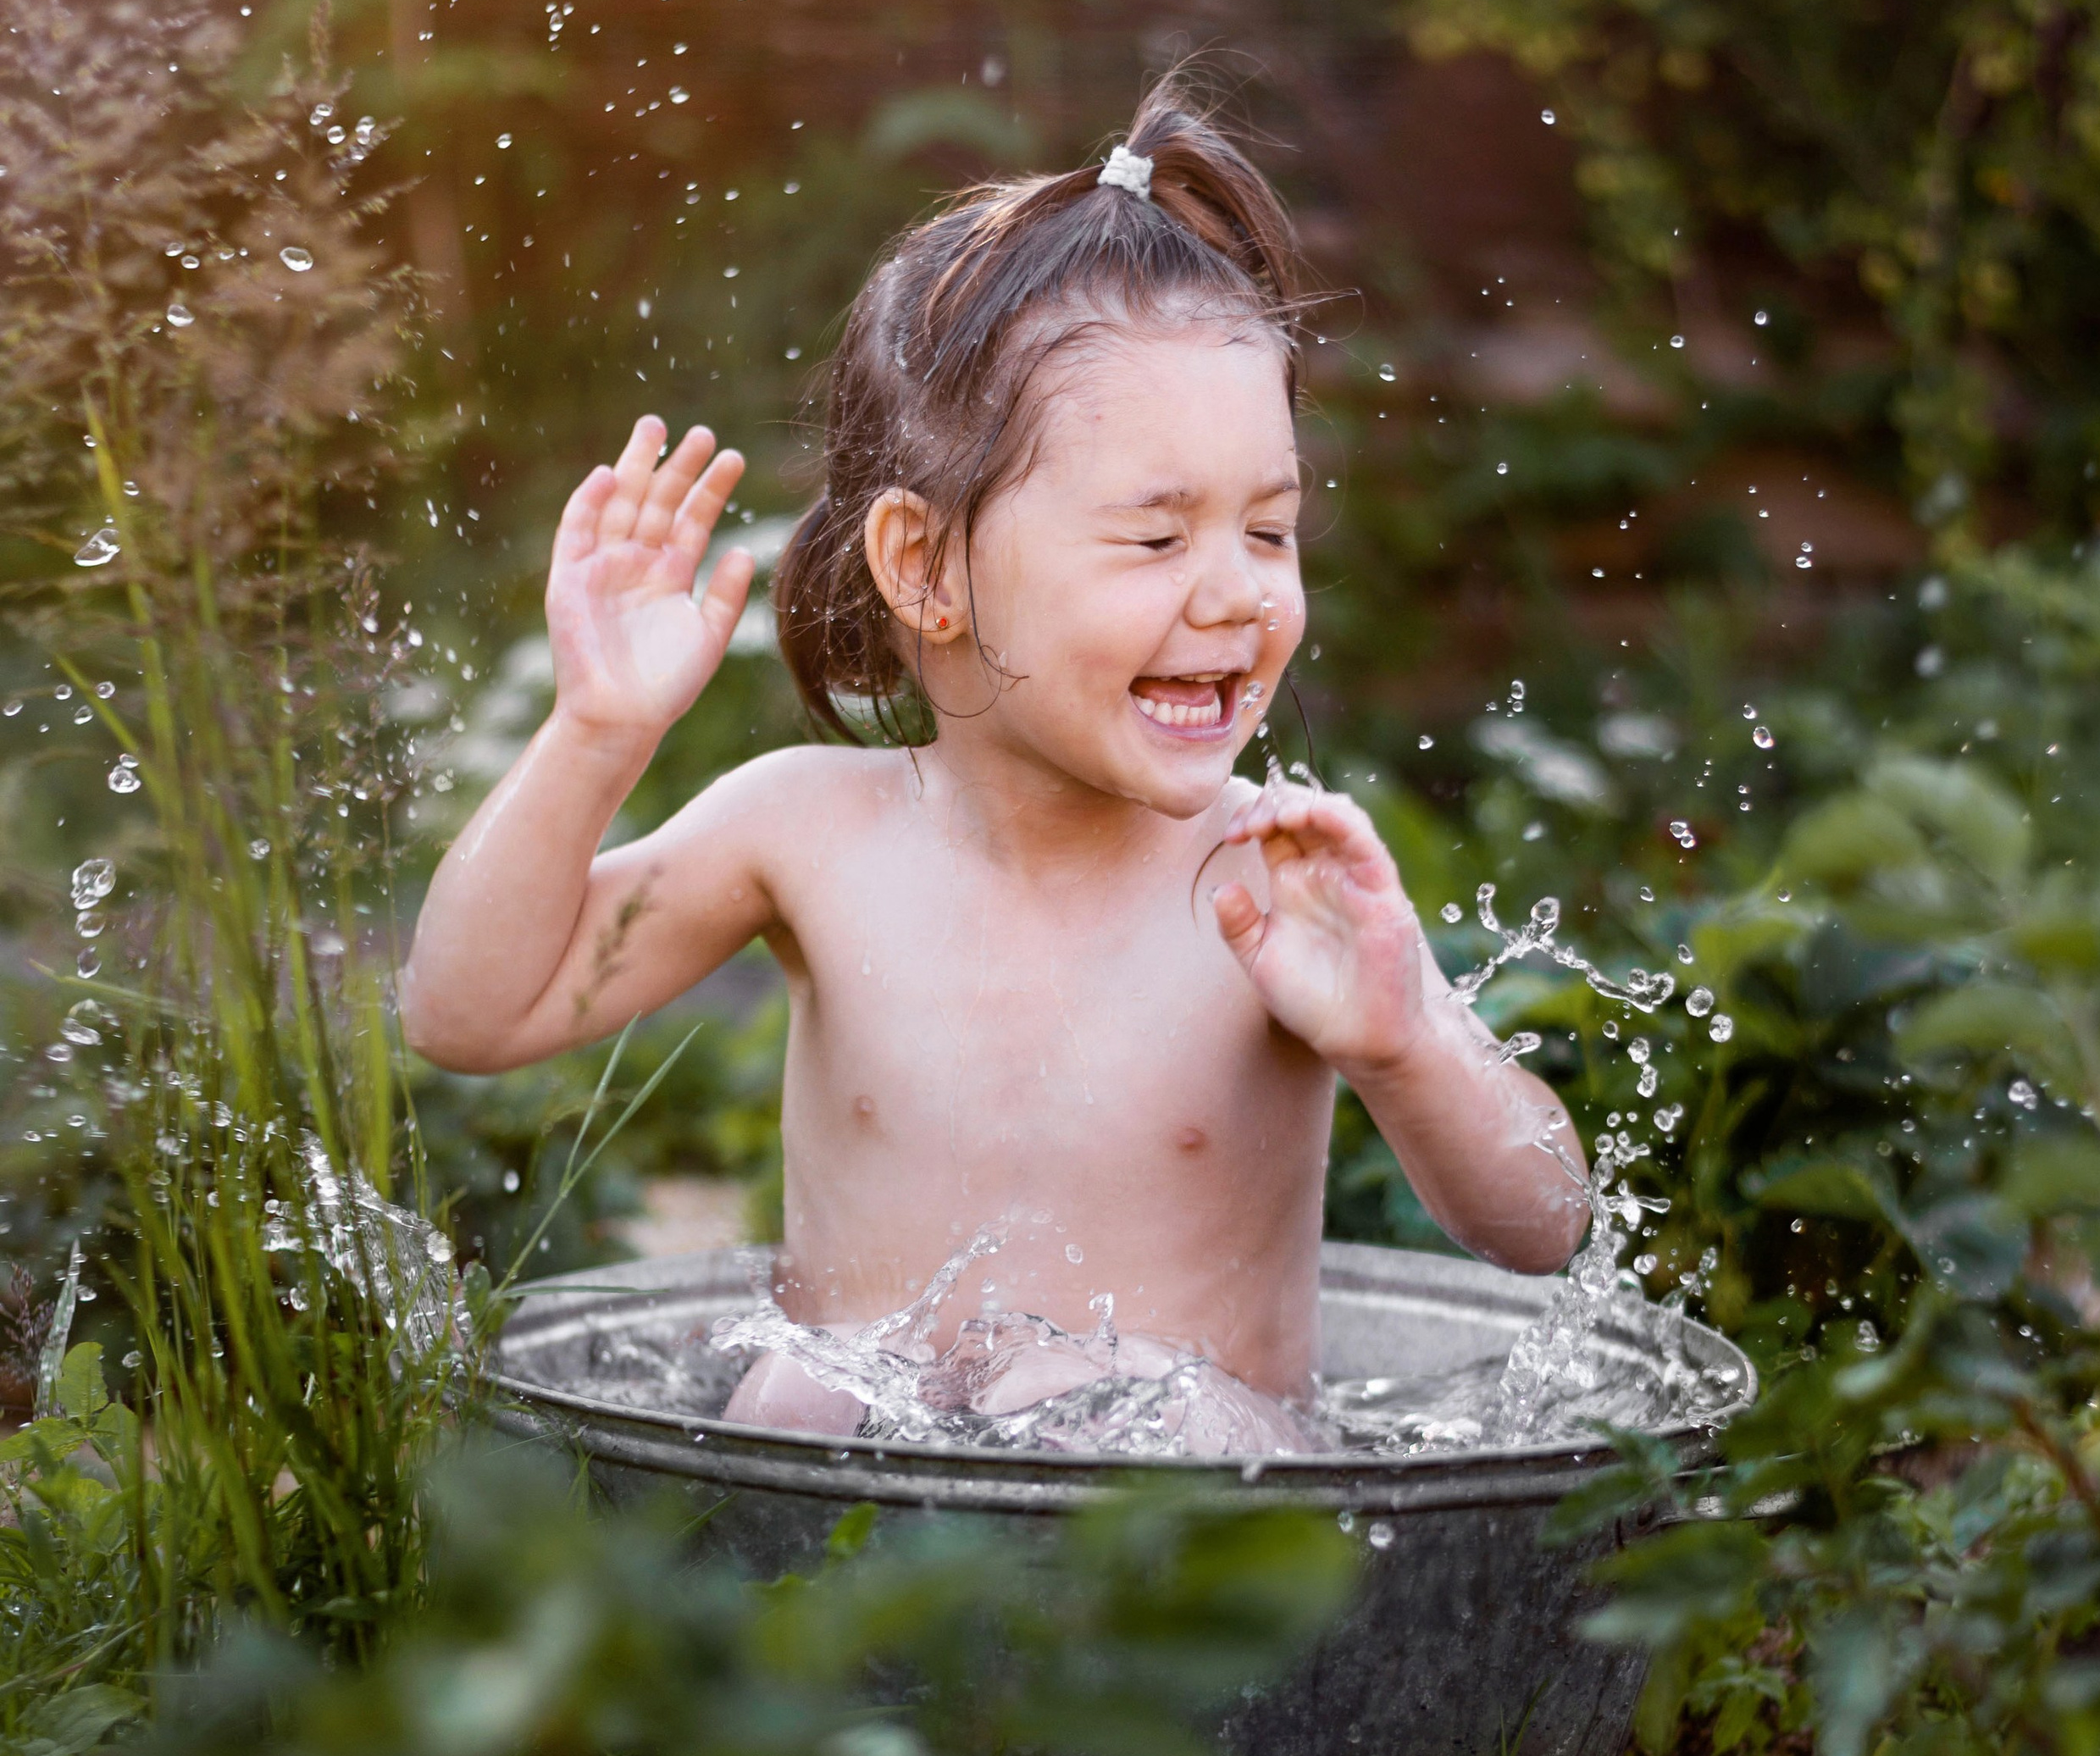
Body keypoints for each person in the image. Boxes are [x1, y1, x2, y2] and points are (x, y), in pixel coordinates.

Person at [401, 78, 1589, 1450]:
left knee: (1120, 1407)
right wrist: (595, 734)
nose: (1237, 594)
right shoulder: (805, 834)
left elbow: (1542, 1225)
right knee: (806, 1388)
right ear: (926, 568)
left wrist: (1407, 1039)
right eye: (1156, 540)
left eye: (1269, 531)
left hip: (1212, 1560)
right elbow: (465, 1015)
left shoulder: (1268, 883)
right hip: (865, 1562)